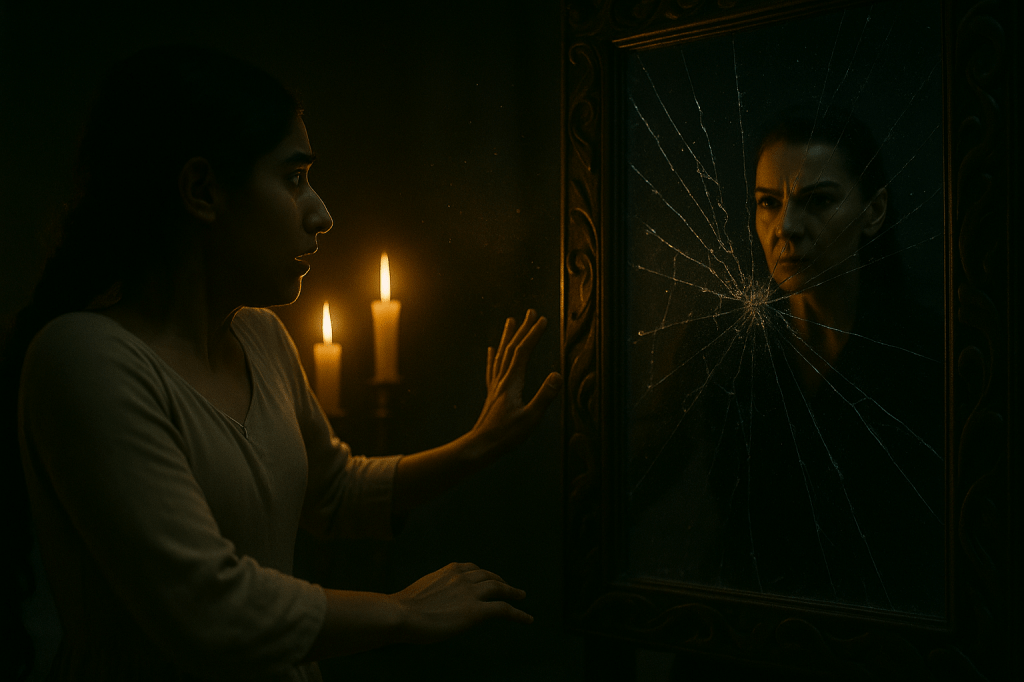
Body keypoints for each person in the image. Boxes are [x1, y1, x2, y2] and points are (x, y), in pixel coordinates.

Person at [2, 45, 562, 681]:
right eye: (293, 178)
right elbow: (208, 609)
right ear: (202, 190)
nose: (321, 214)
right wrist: (405, 610)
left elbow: (333, 492)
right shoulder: (85, 359)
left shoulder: (262, 337)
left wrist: (478, 444)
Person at [629, 107, 943, 614]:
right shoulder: (720, 335)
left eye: (818, 201)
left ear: (874, 211)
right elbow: (644, 466)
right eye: (768, 204)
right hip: (734, 639)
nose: (787, 227)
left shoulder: (927, 352)